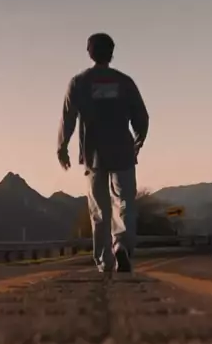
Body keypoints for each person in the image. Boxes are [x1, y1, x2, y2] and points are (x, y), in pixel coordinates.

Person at [57, 33, 149, 273]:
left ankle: (105, 260)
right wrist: (138, 140)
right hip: (123, 151)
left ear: (89, 53)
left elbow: (68, 118)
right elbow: (142, 117)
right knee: (125, 202)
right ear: (112, 53)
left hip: (93, 154)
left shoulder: (78, 83)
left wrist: (62, 146)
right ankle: (122, 245)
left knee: (99, 209)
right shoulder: (125, 82)